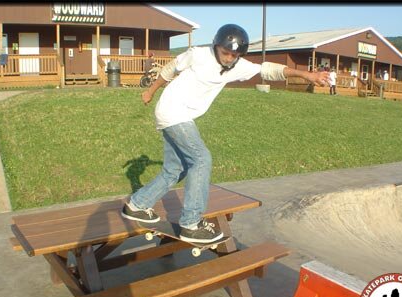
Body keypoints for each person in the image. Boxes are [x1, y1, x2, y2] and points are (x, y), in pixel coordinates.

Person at [121, 24, 330, 243]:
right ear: (216, 46)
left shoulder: (239, 66)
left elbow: (268, 69)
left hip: (179, 116)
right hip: (173, 112)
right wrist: (150, 91)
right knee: (201, 159)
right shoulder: (198, 54)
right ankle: (191, 224)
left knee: (176, 169)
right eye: (225, 53)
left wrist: (306, 74)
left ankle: (137, 205)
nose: (229, 58)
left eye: (234, 55)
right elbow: (170, 69)